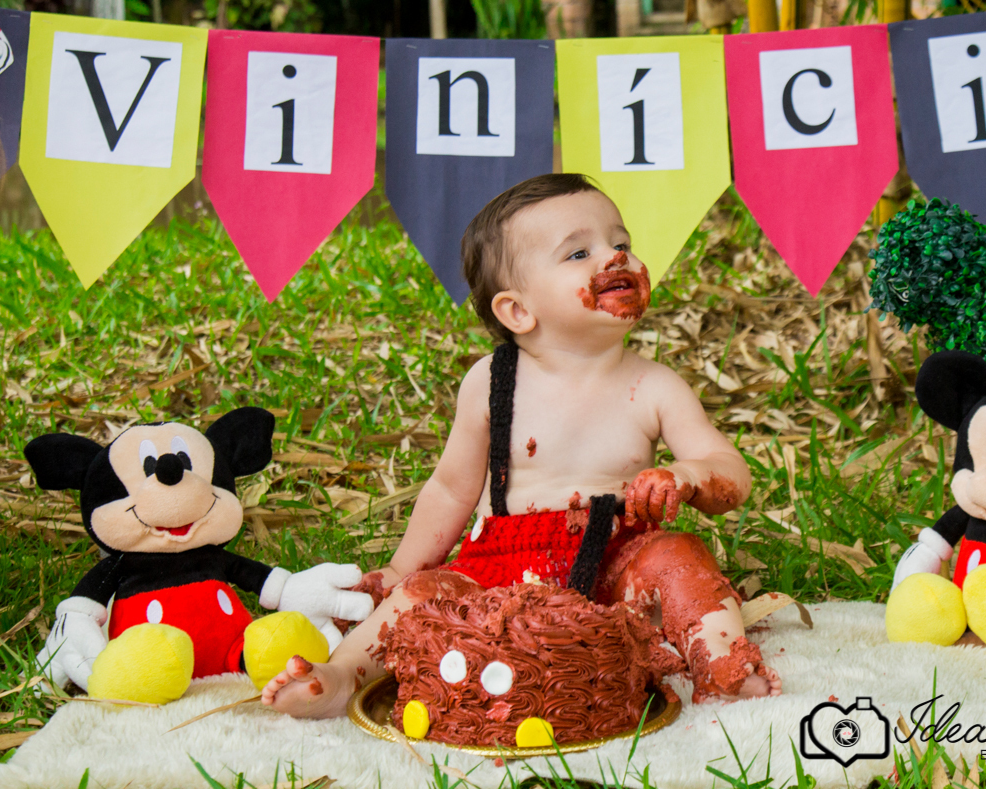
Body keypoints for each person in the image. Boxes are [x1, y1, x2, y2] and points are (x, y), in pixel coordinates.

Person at [262, 174, 781, 719]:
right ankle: (344, 676)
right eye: (580, 252)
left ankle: (722, 666)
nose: (614, 258)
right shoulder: (492, 381)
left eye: (621, 243)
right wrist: (400, 569)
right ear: (517, 311)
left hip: (615, 565)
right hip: (498, 566)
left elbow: (730, 471)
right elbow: (450, 487)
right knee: (421, 597)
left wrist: (688, 478)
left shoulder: (653, 386)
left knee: (679, 558)